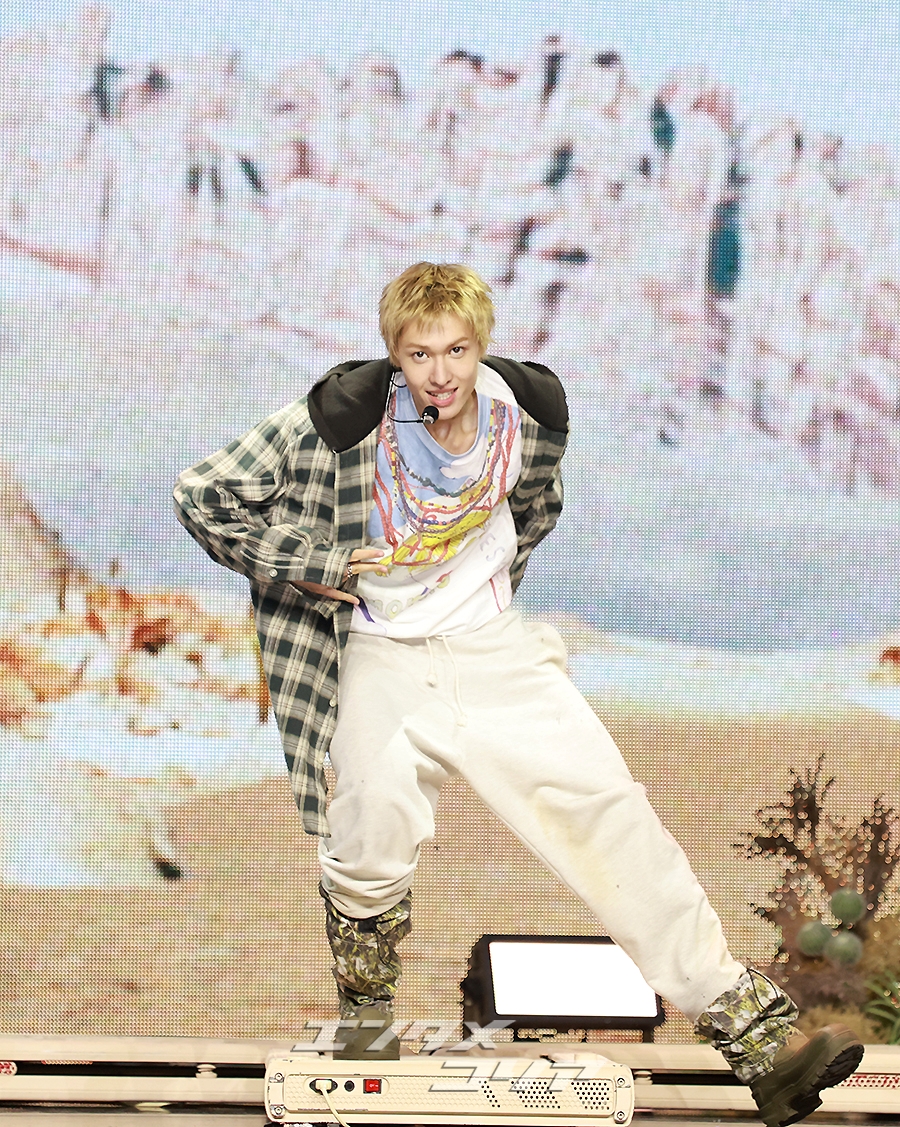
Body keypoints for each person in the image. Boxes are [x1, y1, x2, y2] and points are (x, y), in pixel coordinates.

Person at [173, 262, 862, 1127]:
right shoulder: (341, 420)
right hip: (382, 654)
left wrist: (480, 591)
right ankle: (366, 1019)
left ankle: (761, 1042)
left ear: (481, 346)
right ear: (394, 355)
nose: (440, 372)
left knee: (611, 816)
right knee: (368, 828)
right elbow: (202, 494)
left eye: (456, 350)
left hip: (495, 651)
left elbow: (536, 506)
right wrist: (318, 563)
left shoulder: (526, 417)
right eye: (419, 354)